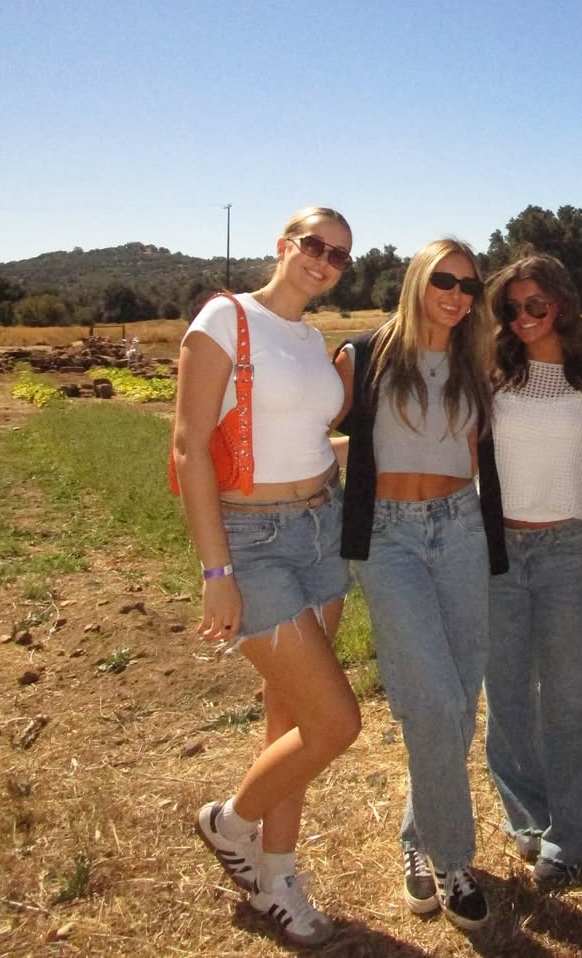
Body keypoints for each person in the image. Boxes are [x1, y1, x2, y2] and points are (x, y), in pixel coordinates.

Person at [172, 207, 360, 949]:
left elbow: (309, 436)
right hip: (253, 541)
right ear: (284, 246)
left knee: (292, 721)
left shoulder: (312, 339)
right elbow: (189, 446)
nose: (325, 261)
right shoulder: (225, 319)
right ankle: (230, 823)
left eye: (340, 255)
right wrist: (216, 570)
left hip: (320, 530)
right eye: (315, 245)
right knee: (336, 723)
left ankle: (276, 879)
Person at [334, 238, 505, 932]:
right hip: (389, 538)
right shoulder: (365, 355)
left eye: (469, 284)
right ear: (417, 281)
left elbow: (480, 454)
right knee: (432, 698)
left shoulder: (476, 363)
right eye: (444, 279)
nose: (457, 294)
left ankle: (415, 837)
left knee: (459, 698)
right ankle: (453, 860)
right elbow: (311, 432)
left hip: (460, 528)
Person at [484, 252, 582, 888]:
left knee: (574, 697)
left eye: (536, 303)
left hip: (570, 549)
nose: (524, 316)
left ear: (561, 302)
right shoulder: (489, 377)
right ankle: (529, 821)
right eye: (512, 308)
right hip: (498, 552)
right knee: (507, 695)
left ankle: (575, 837)